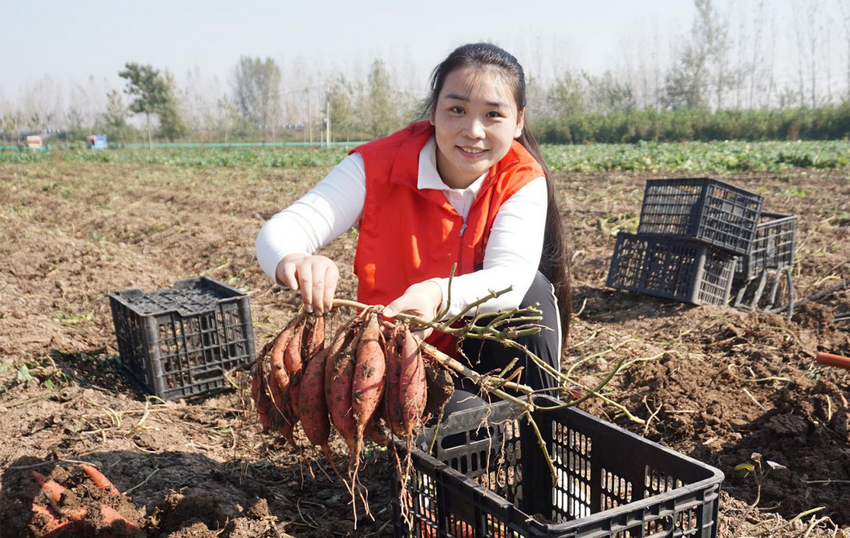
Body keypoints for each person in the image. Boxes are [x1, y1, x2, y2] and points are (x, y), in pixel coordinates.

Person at [256, 43, 571, 407]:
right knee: (462, 420)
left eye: (493, 115)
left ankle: (548, 448)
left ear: (518, 122)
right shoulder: (377, 166)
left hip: (483, 352)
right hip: (396, 357)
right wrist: (292, 259)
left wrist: (435, 295)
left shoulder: (521, 176)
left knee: (532, 293)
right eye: (457, 110)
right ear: (433, 112)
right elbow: (284, 229)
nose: (473, 131)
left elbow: (511, 278)